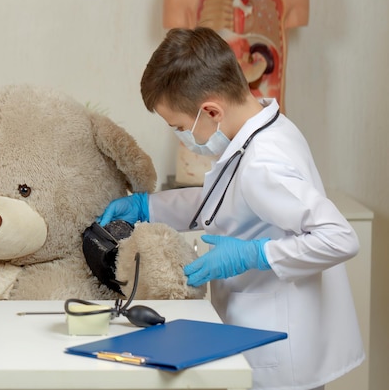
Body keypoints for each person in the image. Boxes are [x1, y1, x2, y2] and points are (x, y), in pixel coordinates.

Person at [97, 27, 364, 390]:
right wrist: (148, 206)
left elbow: (340, 238)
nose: (181, 135)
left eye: (179, 126)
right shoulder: (262, 130)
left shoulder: (263, 162)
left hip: (281, 352)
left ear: (210, 111)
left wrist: (256, 254)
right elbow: (228, 200)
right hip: (262, 333)